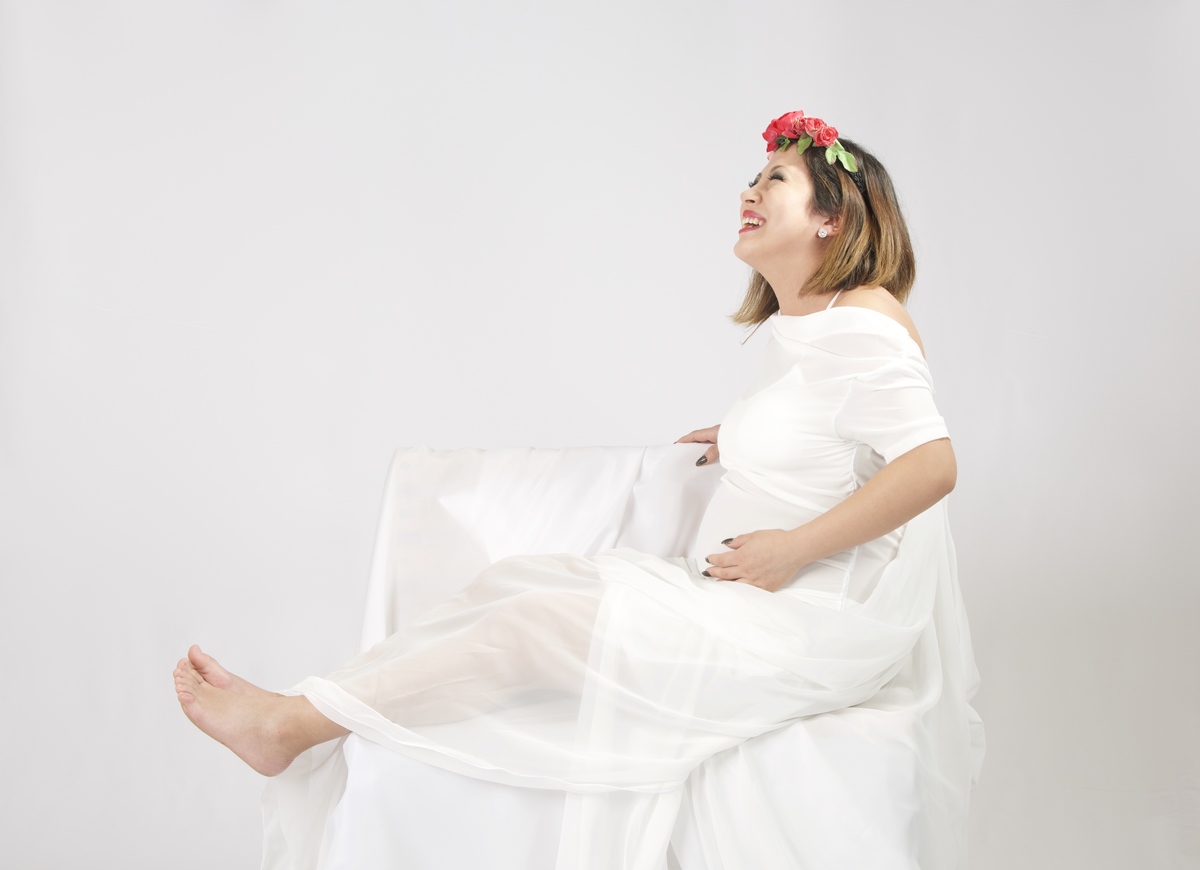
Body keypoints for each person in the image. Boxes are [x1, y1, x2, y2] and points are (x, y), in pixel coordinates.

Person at [175, 110, 981, 868]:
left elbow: (931, 464)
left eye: (776, 179)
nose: (750, 191)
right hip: (741, 599)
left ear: (832, 217)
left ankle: (289, 725)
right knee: (515, 586)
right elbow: (832, 431)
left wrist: (792, 551)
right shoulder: (804, 326)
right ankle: (305, 709)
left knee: (531, 618)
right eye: (753, 177)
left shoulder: (863, 318)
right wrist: (741, 433)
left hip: (798, 622)